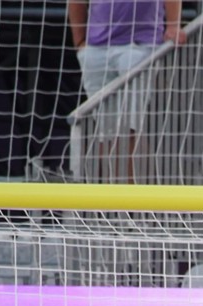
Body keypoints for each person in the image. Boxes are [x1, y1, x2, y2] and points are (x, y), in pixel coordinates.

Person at [68, 0, 184, 181]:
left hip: (140, 44)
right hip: (96, 48)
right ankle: (113, 193)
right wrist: (80, 42)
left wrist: (173, 26)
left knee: (130, 127)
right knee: (105, 132)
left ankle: (132, 195)